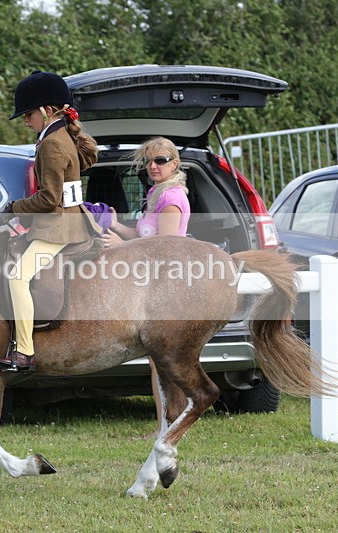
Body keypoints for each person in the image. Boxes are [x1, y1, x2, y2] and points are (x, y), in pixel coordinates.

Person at [0, 70, 101, 373]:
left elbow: (49, 199)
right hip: (68, 219)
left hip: (59, 227)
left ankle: (24, 352)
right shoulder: (62, 135)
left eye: (28, 114)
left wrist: (12, 208)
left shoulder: (52, 143)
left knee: (17, 277)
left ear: (46, 110)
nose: (26, 121)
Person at [101, 136, 191, 438]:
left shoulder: (173, 198)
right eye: (149, 161)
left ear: (174, 164)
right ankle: (166, 425)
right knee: (157, 362)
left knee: (164, 361)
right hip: (152, 282)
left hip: (167, 285)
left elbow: (163, 245)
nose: (153, 166)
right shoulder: (156, 193)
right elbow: (141, 232)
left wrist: (120, 245)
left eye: (161, 160)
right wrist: (114, 225)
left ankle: (170, 426)